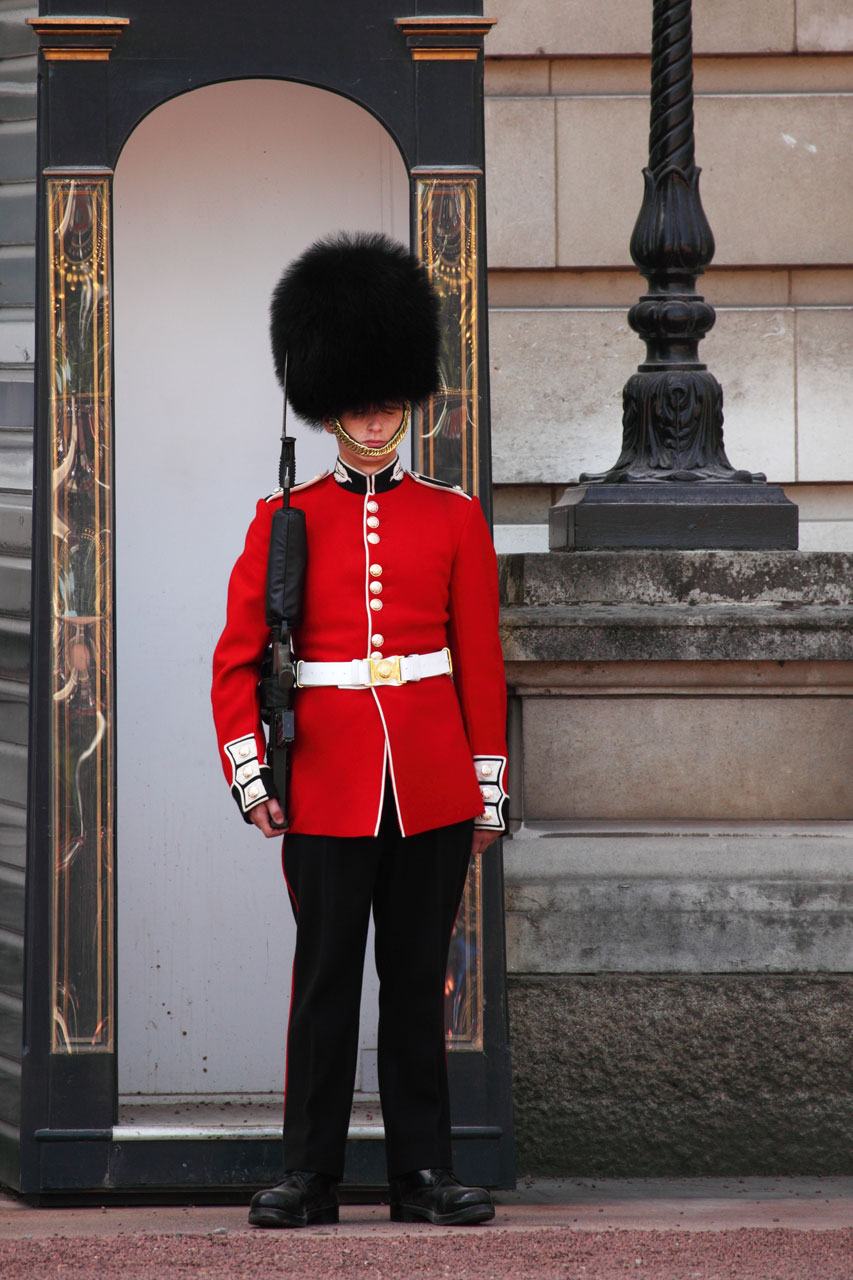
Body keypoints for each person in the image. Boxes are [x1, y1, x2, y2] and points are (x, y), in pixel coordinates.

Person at [211, 232, 508, 1229]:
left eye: (388, 395)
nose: (376, 413)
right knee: (327, 980)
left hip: (427, 781)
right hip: (330, 781)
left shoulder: (453, 517)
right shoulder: (281, 518)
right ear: (329, 401)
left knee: (417, 983)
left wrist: (486, 784)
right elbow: (236, 661)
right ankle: (312, 1172)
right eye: (358, 396)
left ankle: (422, 1173)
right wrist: (255, 776)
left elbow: (478, 661)